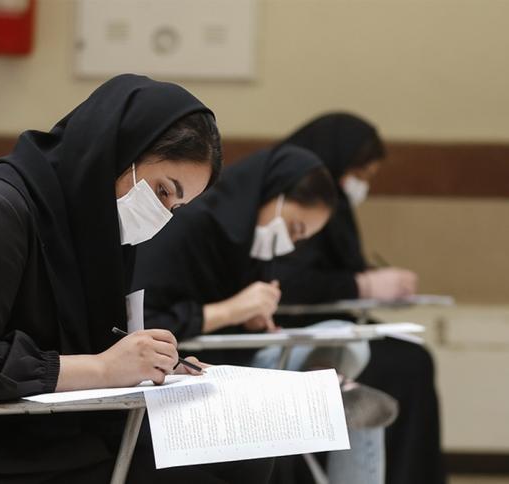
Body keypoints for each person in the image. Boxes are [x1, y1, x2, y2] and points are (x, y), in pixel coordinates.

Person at [0, 74, 274, 484]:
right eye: (161, 191)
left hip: (41, 422)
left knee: (245, 456)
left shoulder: (88, 227)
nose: (163, 214)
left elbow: (89, 345)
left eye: (176, 206)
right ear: (118, 152)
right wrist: (104, 367)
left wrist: (156, 365)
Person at [132, 145, 392, 484]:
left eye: (301, 239)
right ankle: (331, 383)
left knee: (349, 339)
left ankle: (331, 382)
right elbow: (145, 324)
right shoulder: (190, 225)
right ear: (271, 194)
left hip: (243, 357)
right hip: (194, 365)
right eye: (294, 228)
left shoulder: (252, 244)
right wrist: (231, 310)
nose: (291, 243)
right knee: (335, 399)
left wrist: (253, 319)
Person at [275, 112, 446, 484]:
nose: (360, 186)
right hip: (289, 331)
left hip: (327, 327)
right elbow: (289, 279)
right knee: (406, 364)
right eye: (360, 174)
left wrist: (367, 281)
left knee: (411, 357)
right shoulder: (295, 196)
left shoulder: (330, 201)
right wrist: (363, 285)